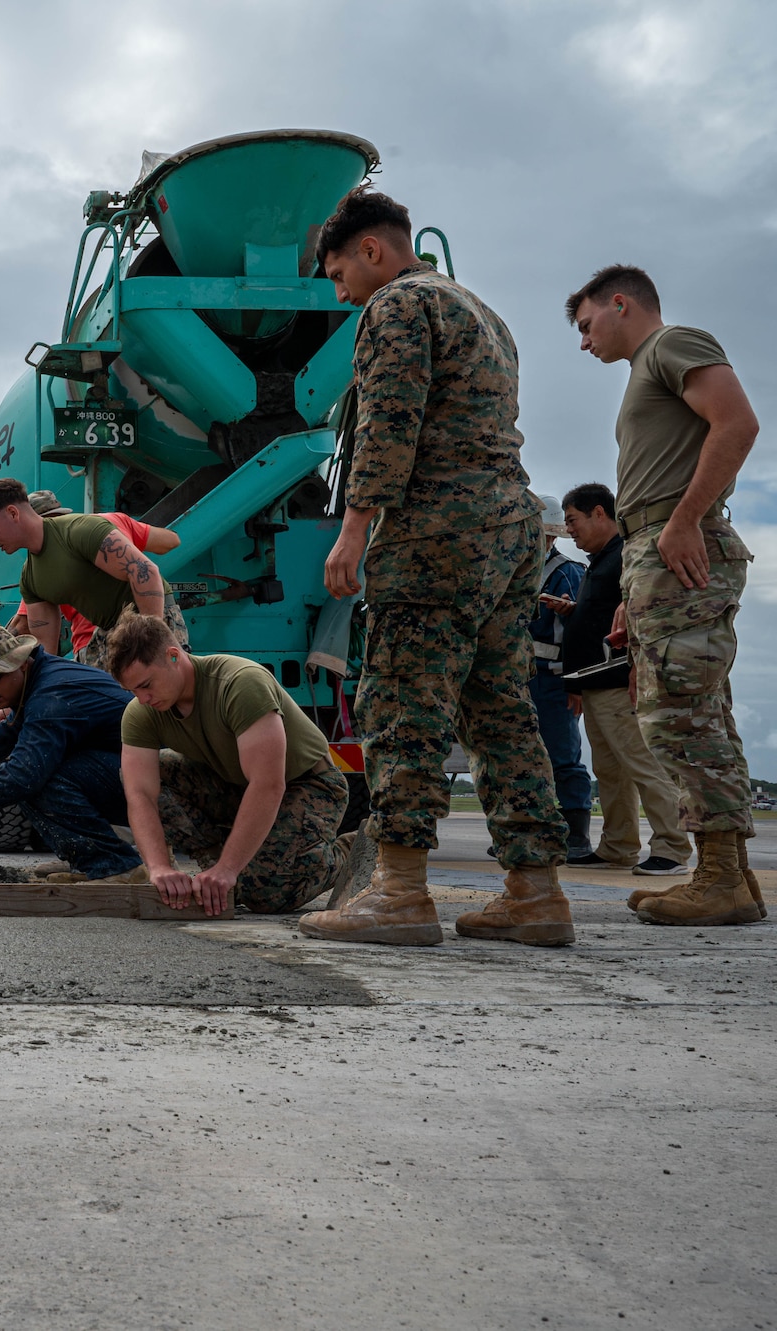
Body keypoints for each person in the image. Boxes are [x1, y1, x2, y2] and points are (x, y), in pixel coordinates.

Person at [302, 189, 572, 949]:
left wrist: (353, 531)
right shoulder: (484, 312)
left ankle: (399, 891)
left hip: (435, 530)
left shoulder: (396, 306)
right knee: (499, 711)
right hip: (510, 528)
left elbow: (388, 425)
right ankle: (536, 891)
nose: (337, 290)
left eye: (336, 272)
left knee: (401, 706)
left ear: (373, 252)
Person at [569, 264, 762, 926]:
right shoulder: (648, 367)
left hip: (675, 538)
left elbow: (737, 423)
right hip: (652, 548)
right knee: (698, 709)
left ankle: (718, 877)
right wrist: (633, 583)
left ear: (621, 304)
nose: (584, 341)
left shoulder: (672, 344)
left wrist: (682, 523)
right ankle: (729, 873)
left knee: (676, 713)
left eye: (588, 324)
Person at [108, 614, 354, 914]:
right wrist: (158, 868)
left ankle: (354, 850)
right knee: (147, 774)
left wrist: (228, 868)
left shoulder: (240, 683)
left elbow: (268, 784)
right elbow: (140, 794)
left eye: (146, 685)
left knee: (268, 894)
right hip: (236, 786)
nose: (142, 699)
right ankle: (219, 866)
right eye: (132, 691)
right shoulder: (141, 712)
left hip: (308, 784)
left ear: (173, 657)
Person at [0, 625, 144, 884]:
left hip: (155, 785)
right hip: (128, 771)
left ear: (19, 663)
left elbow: (23, 776)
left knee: (37, 780)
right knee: (38, 774)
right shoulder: (41, 677)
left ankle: (114, 866)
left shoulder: (50, 696)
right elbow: (14, 728)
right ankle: (89, 861)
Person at [553, 483, 692, 875]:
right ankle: (617, 845)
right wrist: (573, 612)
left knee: (642, 764)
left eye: (573, 521)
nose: (569, 531)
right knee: (610, 771)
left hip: (618, 681)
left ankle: (673, 847)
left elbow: (647, 607)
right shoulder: (599, 561)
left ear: (600, 513)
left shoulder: (629, 556)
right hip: (594, 682)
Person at [0, 476, 189, 667]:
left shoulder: (82, 530)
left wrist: (155, 641)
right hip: (108, 632)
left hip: (150, 618)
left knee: (163, 694)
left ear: (13, 513)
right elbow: (45, 649)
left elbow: (145, 571)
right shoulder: (31, 579)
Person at [10, 491, 181, 660]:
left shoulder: (45, 563)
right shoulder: (108, 523)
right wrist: (127, 546)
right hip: (144, 617)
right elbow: (170, 542)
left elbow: (24, 624)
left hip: (91, 643)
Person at [524, 495, 593, 862]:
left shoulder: (569, 572)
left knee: (564, 758)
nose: (544, 542)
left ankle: (576, 835)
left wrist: (576, 684)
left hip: (552, 682)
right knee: (523, 758)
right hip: (520, 681)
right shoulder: (516, 569)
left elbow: (580, 634)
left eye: (549, 536)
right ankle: (530, 831)